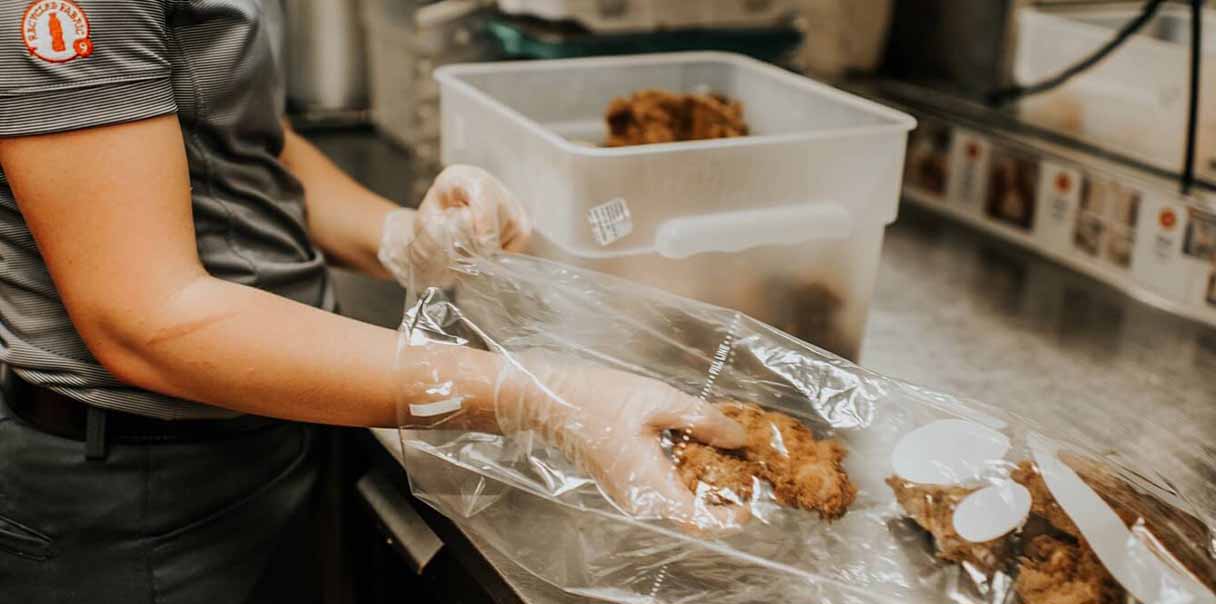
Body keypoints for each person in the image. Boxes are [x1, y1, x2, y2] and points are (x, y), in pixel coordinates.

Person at [0, 2, 745, 602]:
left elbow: (249, 137)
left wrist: (399, 237)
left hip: (277, 425)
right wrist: (542, 397)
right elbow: (147, 321)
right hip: (138, 492)